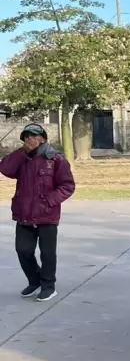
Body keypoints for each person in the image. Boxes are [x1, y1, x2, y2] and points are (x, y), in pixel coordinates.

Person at [0, 123, 75, 302]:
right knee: (23, 250)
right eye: (26, 137)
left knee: (47, 253)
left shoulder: (55, 159)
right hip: (24, 214)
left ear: (42, 139)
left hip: (46, 215)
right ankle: (35, 281)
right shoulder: (22, 159)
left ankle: (48, 286)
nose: (29, 140)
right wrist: (21, 152)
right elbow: (5, 168)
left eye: (33, 136)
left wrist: (49, 201)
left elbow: (67, 186)